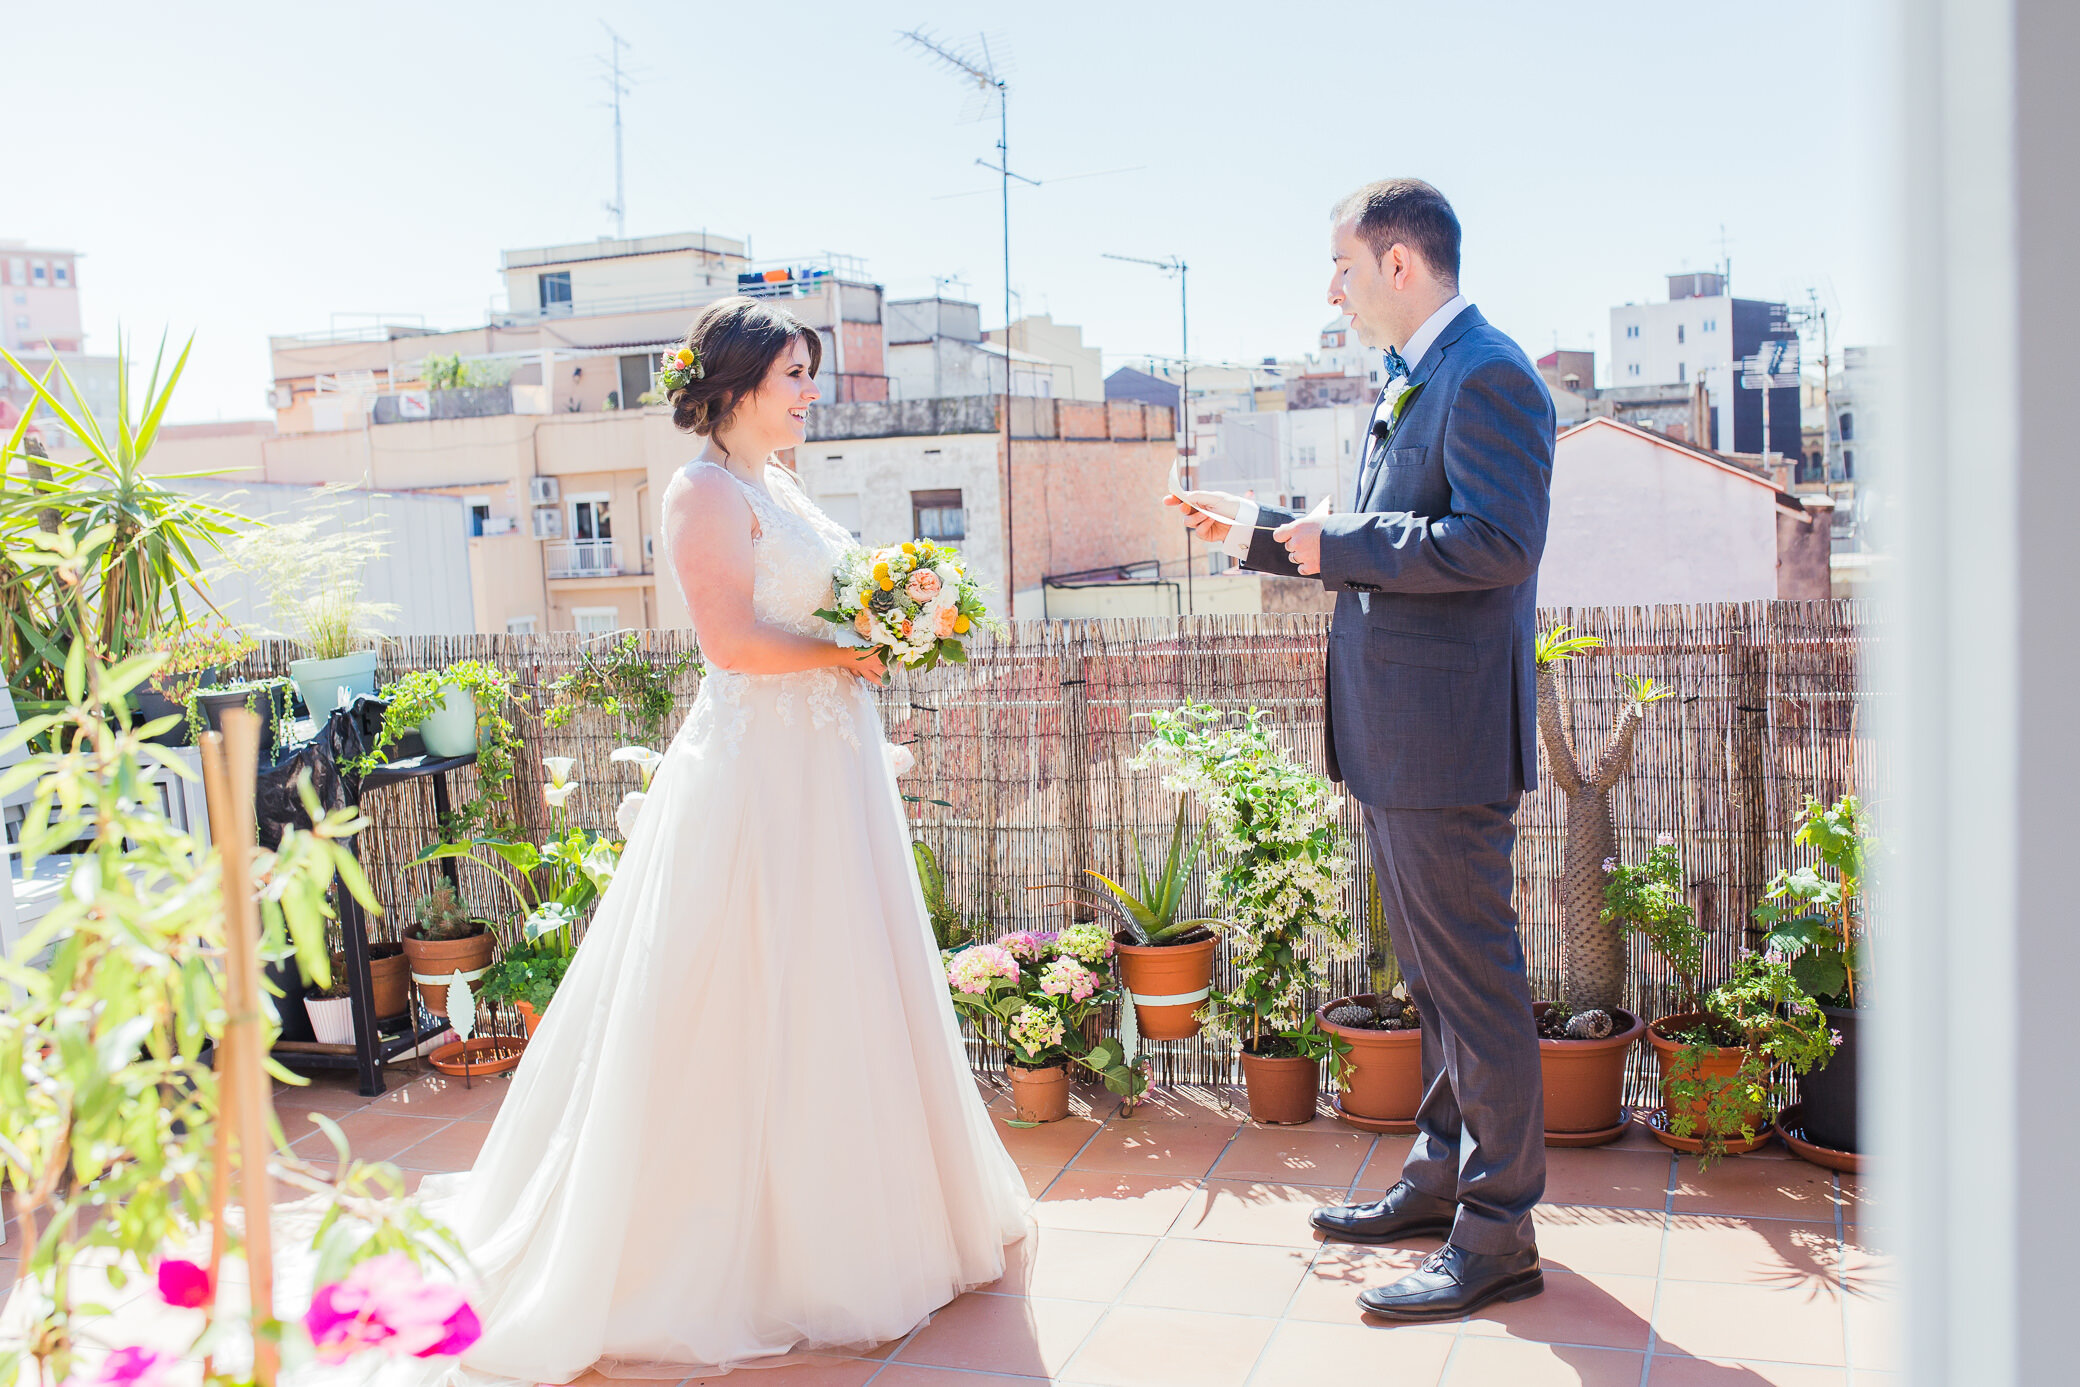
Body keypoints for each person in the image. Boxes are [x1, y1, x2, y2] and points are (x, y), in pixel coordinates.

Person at [387, 296, 1029, 1382]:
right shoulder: (701, 492)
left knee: (842, 975)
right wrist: (847, 653)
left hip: (827, 766)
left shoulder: (779, 487)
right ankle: (732, 1246)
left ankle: (872, 1213)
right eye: (793, 375)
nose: (809, 393)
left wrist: (878, 628)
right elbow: (730, 642)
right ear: (734, 387)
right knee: (745, 981)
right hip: (759, 776)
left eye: (809, 373)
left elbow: (812, 613)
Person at [1169, 178, 1556, 1322]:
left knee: (1476, 988)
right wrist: (1256, 534)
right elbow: (1391, 545)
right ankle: (1440, 1180)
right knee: (1437, 985)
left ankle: (1499, 1234)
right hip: (1399, 739)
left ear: (1399, 265)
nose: (1329, 289)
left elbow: (1493, 542)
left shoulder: (1487, 372)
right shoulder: (1414, 375)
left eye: (1341, 266)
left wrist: (1336, 536)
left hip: (1444, 743)